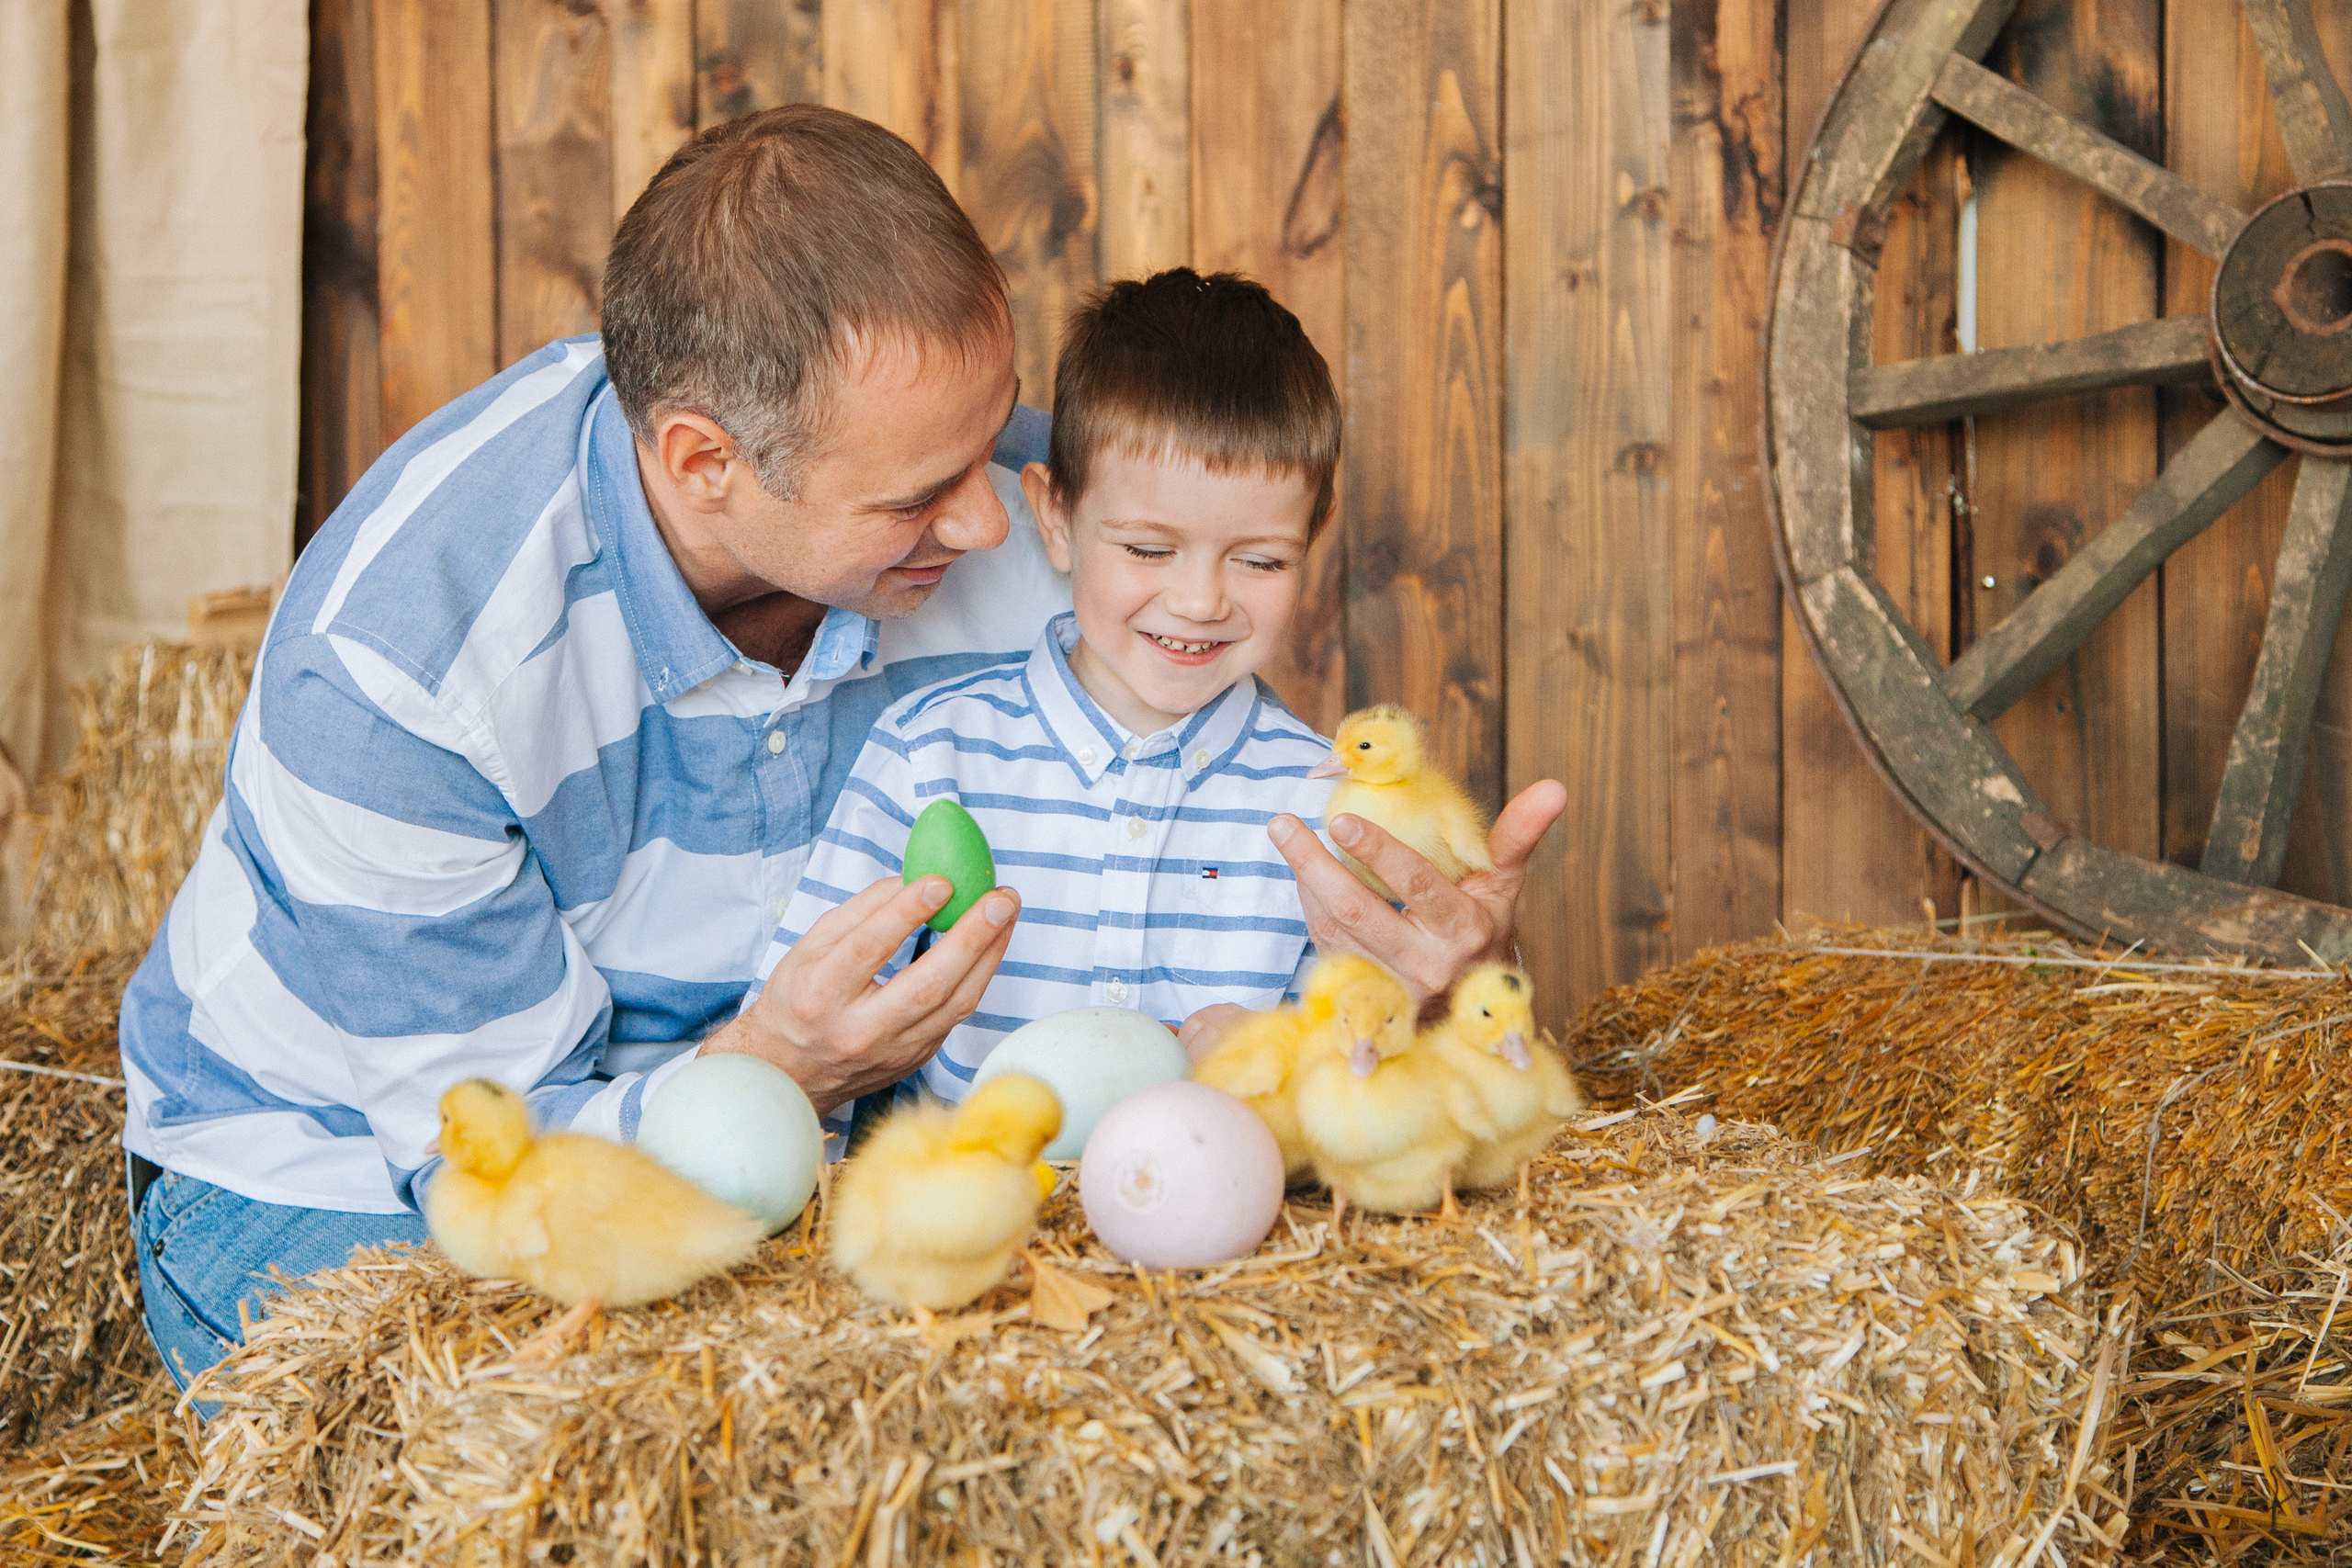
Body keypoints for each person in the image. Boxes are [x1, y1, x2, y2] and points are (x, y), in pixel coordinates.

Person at [116, 107, 1565, 1388]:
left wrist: (1415, 973)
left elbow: (1207, 619)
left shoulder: (1025, 495)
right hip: (339, 1159)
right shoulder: (403, 671)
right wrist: (771, 1069)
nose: (997, 525)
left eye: (1002, 445)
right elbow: (497, 1169)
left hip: (801, 1139)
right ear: (703, 464)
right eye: (927, 494)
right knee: (565, 1440)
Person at [765, 269, 1338, 1126]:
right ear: (1056, 518)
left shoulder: (1324, 802)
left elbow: (1363, 1078)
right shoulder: (932, 750)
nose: (1199, 601)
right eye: (1148, 549)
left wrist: (1283, 1074)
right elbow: (815, 1023)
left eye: (1260, 560)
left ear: (1309, 545)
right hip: (974, 1215)